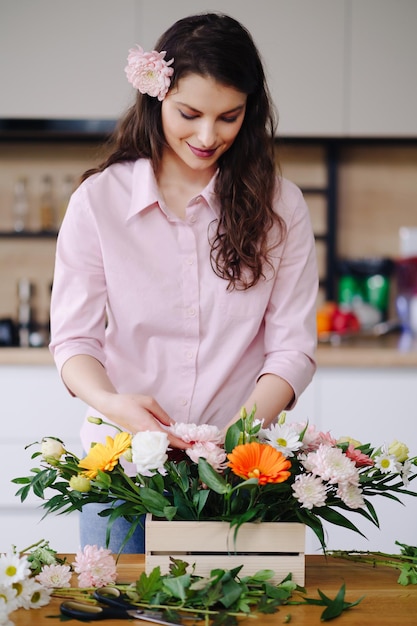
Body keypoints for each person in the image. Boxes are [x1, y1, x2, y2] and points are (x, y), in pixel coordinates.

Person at [49, 12, 318, 553]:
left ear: (250, 111)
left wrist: (233, 439)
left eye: (229, 117)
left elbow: (292, 349)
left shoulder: (280, 207)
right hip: (123, 469)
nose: (206, 135)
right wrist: (112, 401)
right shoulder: (99, 202)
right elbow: (74, 342)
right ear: (156, 97)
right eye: (189, 113)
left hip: (242, 475)